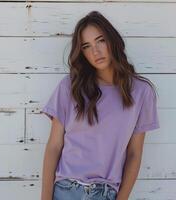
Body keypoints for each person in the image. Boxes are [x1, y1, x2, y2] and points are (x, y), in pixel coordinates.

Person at [40, 11, 160, 200]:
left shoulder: (141, 92)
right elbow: (54, 146)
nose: (95, 51)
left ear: (112, 40)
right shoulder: (70, 86)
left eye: (100, 41)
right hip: (65, 190)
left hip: (105, 192)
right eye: (87, 46)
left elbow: (134, 153)